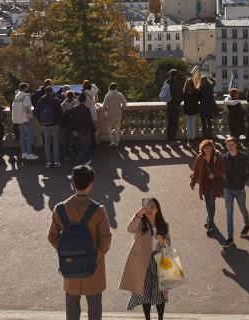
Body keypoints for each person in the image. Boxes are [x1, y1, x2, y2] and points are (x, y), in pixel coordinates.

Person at [48, 164, 112, 320]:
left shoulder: (60, 209)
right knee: (95, 308)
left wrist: (65, 251)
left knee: (71, 307)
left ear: (72, 183)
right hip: (93, 266)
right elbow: (106, 240)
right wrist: (96, 255)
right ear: (90, 185)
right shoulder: (98, 210)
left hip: (70, 265)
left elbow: (52, 237)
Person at [121, 198, 170, 320]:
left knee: (160, 293)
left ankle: (160, 318)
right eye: (147, 206)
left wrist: (162, 240)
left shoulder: (163, 225)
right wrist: (138, 213)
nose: (149, 209)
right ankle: (147, 318)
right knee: (145, 293)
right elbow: (129, 229)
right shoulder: (140, 224)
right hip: (143, 262)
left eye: (152, 206)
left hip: (160, 260)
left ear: (157, 209)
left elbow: (169, 243)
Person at [221, 135, 249, 247]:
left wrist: (243, 181)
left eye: (232, 145)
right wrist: (224, 185)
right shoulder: (224, 157)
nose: (230, 147)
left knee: (243, 208)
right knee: (229, 214)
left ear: (236, 145)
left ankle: (247, 225)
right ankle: (230, 238)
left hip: (240, 189)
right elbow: (223, 172)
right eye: (228, 145)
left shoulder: (244, 157)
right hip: (228, 190)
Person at [190, 139, 224, 237]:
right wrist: (192, 182)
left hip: (214, 183)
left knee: (211, 202)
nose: (208, 150)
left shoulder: (218, 156)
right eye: (206, 149)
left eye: (209, 148)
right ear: (203, 149)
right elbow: (196, 170)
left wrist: (215, 174)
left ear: (212, 147)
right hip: (204, 184)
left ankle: (209, 224)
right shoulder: (200, 157)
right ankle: (210, 219)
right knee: (208, 204)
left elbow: (223, 169)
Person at [37, 87, 65, 168]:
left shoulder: (40, 100)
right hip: (55, 125)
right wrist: (58, 122)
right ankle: (56, 162)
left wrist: (41, 122)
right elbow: (60, 113)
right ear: (52, 92)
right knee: (56, 143)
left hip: (45, 125)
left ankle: (48, 162)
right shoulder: (56, 100)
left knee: (47, 144)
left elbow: (37, 112)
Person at [12, 83, 36, 161]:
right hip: (25, 119)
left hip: (19, 119)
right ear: (25, 88)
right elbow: (27, 108)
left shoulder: (16, 96)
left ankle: (23, 153)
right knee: (28, 137)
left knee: (22, 137)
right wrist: (31, 116)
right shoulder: (25, 96)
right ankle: (29, 154)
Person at [71, 93, 94, 165]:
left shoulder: (74, 108)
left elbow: (73, 120)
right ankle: (81, 160)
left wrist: (73, 130)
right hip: (85, 129)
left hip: (78, 129)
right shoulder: (86, 109)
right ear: (85, 100)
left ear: (78, 99)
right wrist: (93, 129)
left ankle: (87, 159)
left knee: (82, 145)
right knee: (84, 146)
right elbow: (89, 121)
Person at [102, 83, 128, 147]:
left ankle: (112, 141)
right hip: (118, 113)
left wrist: (106, 109)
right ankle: (117, 141)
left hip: (110, 113)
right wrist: (121, 109)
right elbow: (124, 104)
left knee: (109, 127)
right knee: (117, 127)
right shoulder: (120, 94)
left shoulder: (107, 95)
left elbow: (104, 106)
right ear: (116, 88)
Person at [164, 69, 184, 142]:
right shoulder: (178, 83)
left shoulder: (167, 82)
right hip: (175, 104)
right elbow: (181, 94)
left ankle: (168, 137)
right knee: (174, 122)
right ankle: (173, 138)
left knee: (169, 122)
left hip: (169, 104)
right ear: (176, 75)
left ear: (169, 74)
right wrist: (179, 101)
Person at [197, 74, 218, 139]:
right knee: (209, 121)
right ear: (206, 80)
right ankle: (210, 135)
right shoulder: (210, 86)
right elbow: (214, 82)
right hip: (209, 106)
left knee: (203, 122)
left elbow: (198, 98)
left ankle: (204, 135)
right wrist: (210, 78)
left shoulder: (200, 88)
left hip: (203, 106)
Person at [181, 78, 201, 144]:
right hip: (194, 109)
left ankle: (189, 138)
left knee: (188, 125)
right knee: (193, 124)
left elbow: (182, 100)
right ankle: (193, 138)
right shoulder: (196, 91)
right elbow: (198, 99)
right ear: (193, 83)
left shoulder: (184, 92)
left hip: (186, 109)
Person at [81, 80, 100, 149]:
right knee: (93, 129)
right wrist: (92, 85)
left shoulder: (83, 93)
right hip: (93, 112)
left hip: (85, 113)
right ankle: (93, 143)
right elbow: (97, 89)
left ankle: (86, 143)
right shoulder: (92, 92)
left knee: (85, 129)